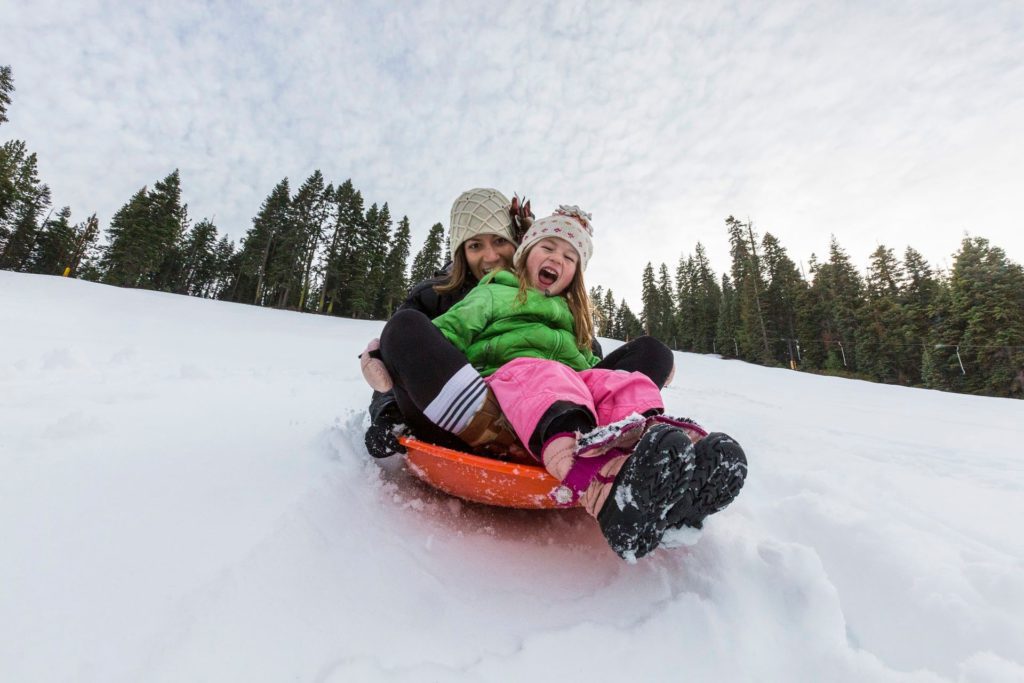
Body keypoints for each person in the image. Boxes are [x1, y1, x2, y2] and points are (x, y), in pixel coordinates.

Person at [375, 206, 747, 560]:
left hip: (562, 399)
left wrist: (621, 380)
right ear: (524, 255)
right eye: (548, 247)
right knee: (408, 328)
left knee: (621, 377)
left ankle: (660, 468)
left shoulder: (573, 319)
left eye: (570, 258)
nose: (558, 259)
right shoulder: (493, 292)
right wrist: (389, 359)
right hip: (496, 401)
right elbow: (446, 333)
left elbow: (591, 372)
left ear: (575, 276)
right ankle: (598, 485)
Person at [362, 188, 675, 459]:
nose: (489, 256)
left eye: (499, 241)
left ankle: (606, 435)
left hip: (556, 404)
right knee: (406, 326)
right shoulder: (434, 296)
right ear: (460, 252)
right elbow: (406, 357)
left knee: (650, 352)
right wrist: (388, 410)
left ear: (518, 245)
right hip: (469, 409)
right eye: (475, 246)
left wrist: (634, 373)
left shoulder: (556, 302)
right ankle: (499, 432)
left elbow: (585, 359)